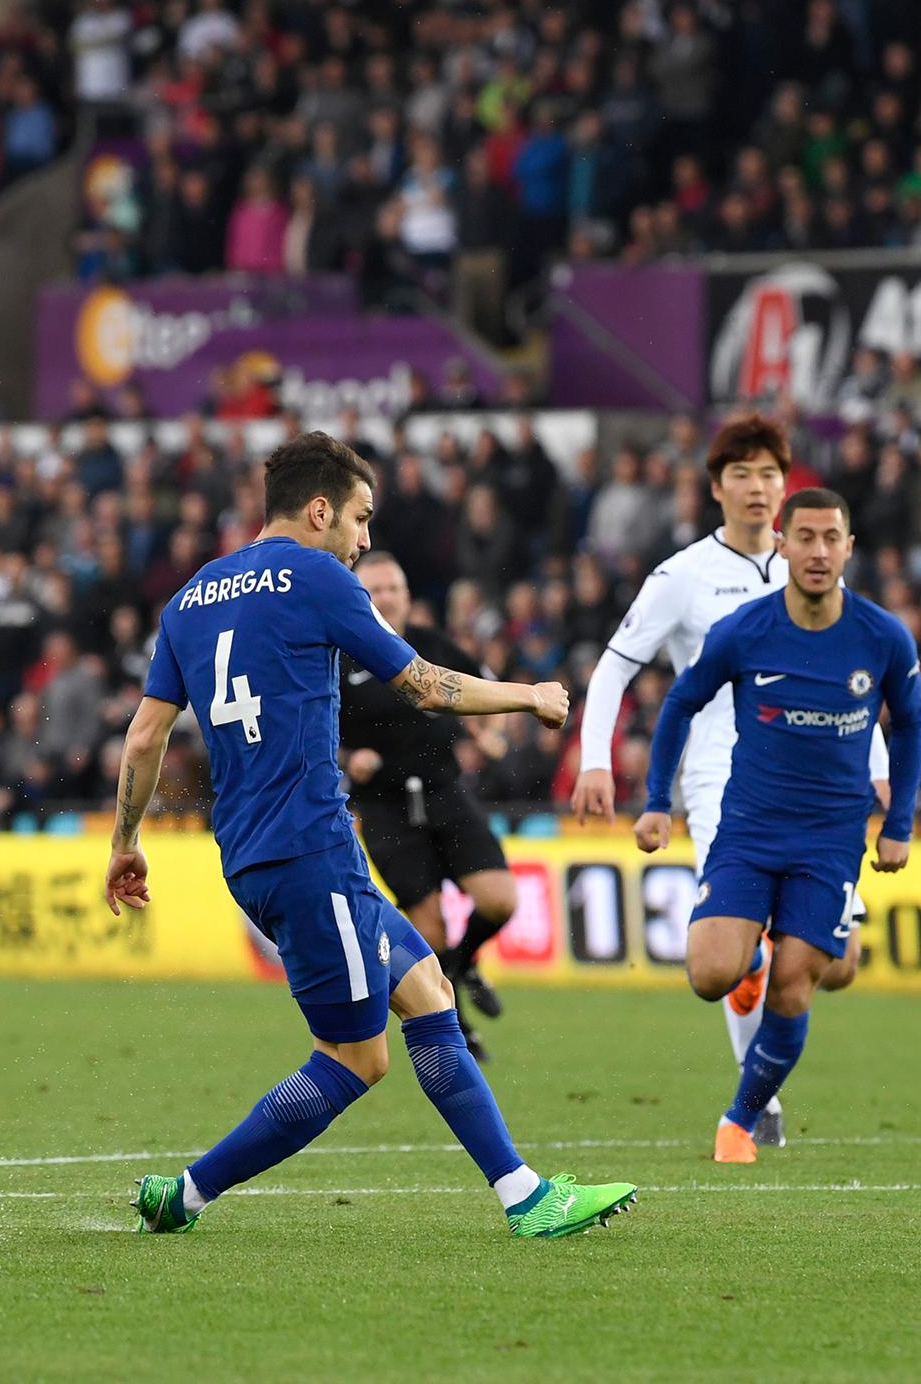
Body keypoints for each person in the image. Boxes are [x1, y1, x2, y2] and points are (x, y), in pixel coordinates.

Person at [109, 432, 635, 1237]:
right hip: (309, 849)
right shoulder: (316, 573)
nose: (363, 540)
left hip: (259, 853)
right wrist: (527, 695)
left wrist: (125, 841)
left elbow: (144, 739)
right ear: (318, 510)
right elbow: (422, 685)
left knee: (429, 994)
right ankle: (186, 1196)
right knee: (355, 1058)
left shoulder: (191, 597)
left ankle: (524, 1193)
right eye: (359, 518)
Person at [572, 415, 888, 1149]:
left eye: (769, 474)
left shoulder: (810, 568)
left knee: (840, 964)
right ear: (715, 489)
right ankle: (758, 1103)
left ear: (786, 486)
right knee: (728, 956)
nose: (757, 488)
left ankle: (755, 959)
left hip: (819, 788)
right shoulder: (681, 577)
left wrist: (875, 765)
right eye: (740, 474)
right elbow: (617, 665)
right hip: (723, 784)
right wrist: (596, 757)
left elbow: (850, 679)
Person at [634, 488, 921, 1164]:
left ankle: (739, 1121)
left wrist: (899, 820)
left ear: (849, 548)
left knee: (803, 982)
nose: (819, 552)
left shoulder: (882, 637)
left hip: (830, 839)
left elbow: (910, 724)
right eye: (807, 538)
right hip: (750, 829)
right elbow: (680, 702)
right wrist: (656, 799)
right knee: (711, 975)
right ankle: (752, 954)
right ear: (783, 545)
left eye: (832, 538)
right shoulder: (745, 630)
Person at [341, 550, 516, 1059]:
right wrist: (351, 757)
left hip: (445, 792)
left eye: (393, 588)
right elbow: (316, 732)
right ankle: (456, 1024)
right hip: (385, 807)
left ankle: (462, 962)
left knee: (500, 900)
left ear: (408, 596)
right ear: (358, 600)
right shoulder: (341, 658)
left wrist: (491, 731)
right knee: (429, 926)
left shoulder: (434, 647)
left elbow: (488, 690)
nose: (386, 597)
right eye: (374, 590)